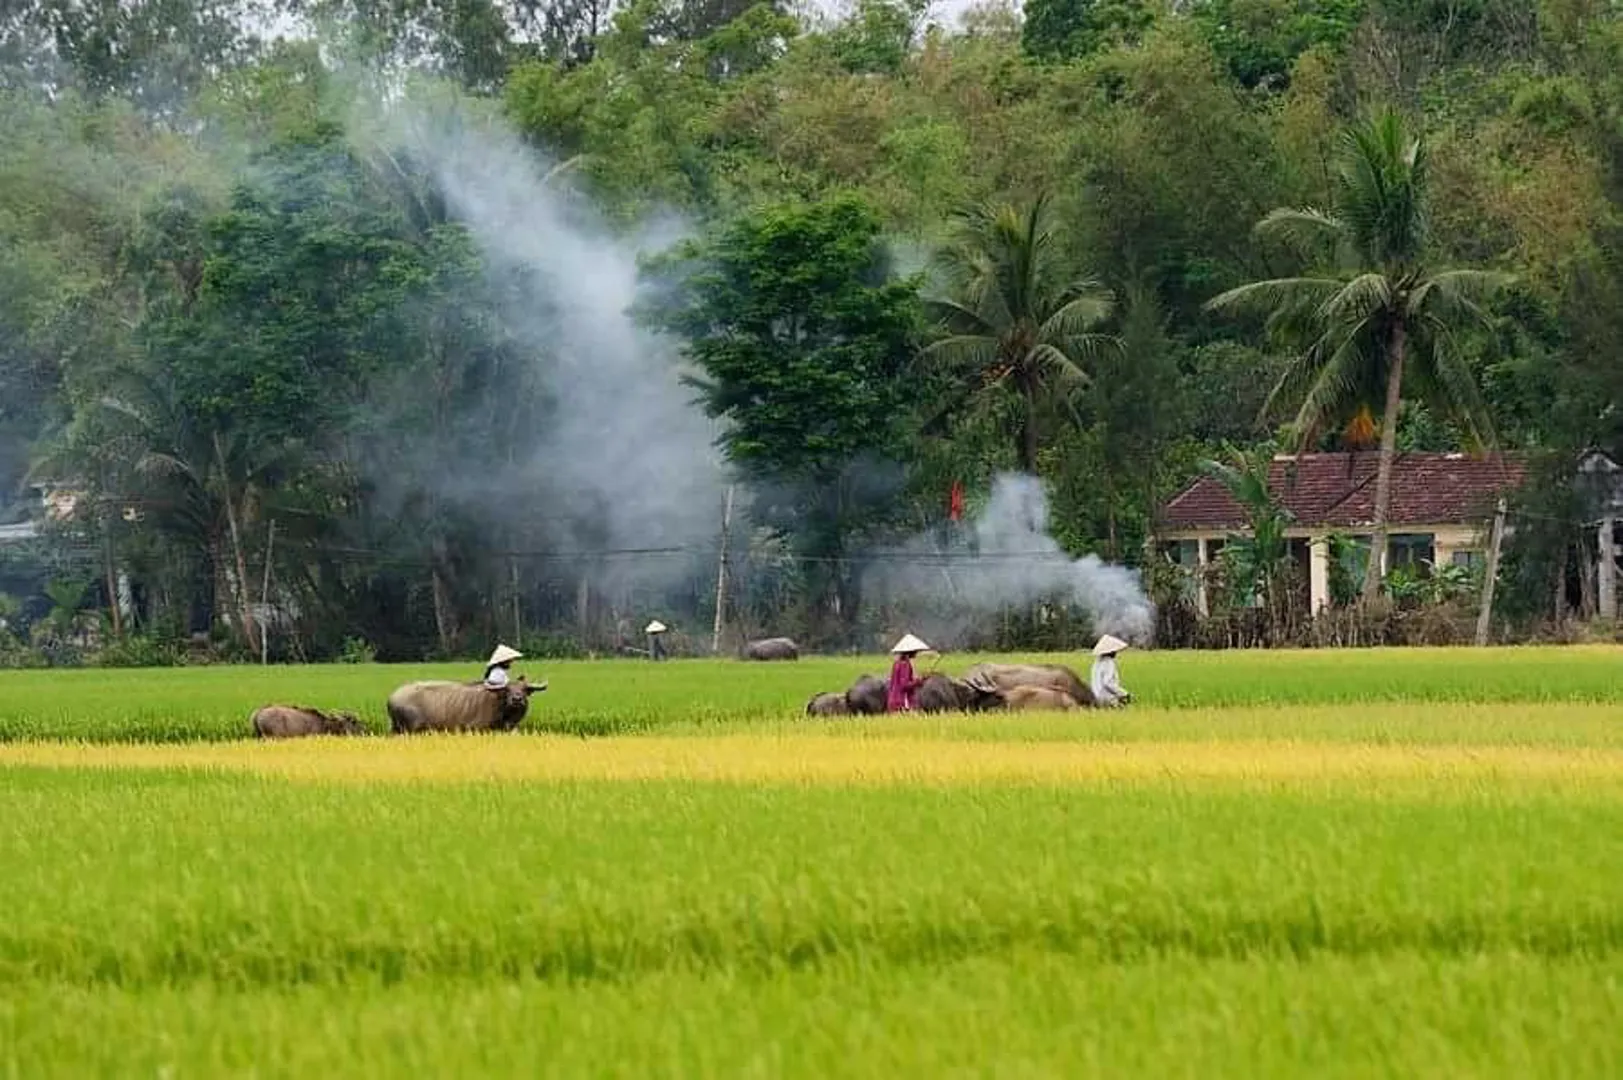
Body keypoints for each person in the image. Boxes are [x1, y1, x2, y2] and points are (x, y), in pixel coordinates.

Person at [886, 633, 930, 712]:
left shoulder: (897, 663)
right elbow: (904, 685)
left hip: (892, 701)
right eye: (915, 651)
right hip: (901, 702)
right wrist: (919, 681)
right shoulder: (905, 664)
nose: (916, 653)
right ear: (911, 651)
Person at [1090, 634, 1131, 707]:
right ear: (1110, 651)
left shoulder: (1096, 663)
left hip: (1095, 696)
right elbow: (1108, 683)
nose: (1116, 652)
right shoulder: (1109, 662)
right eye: (1114, 650)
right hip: (1106, 697)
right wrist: (1124, 693)